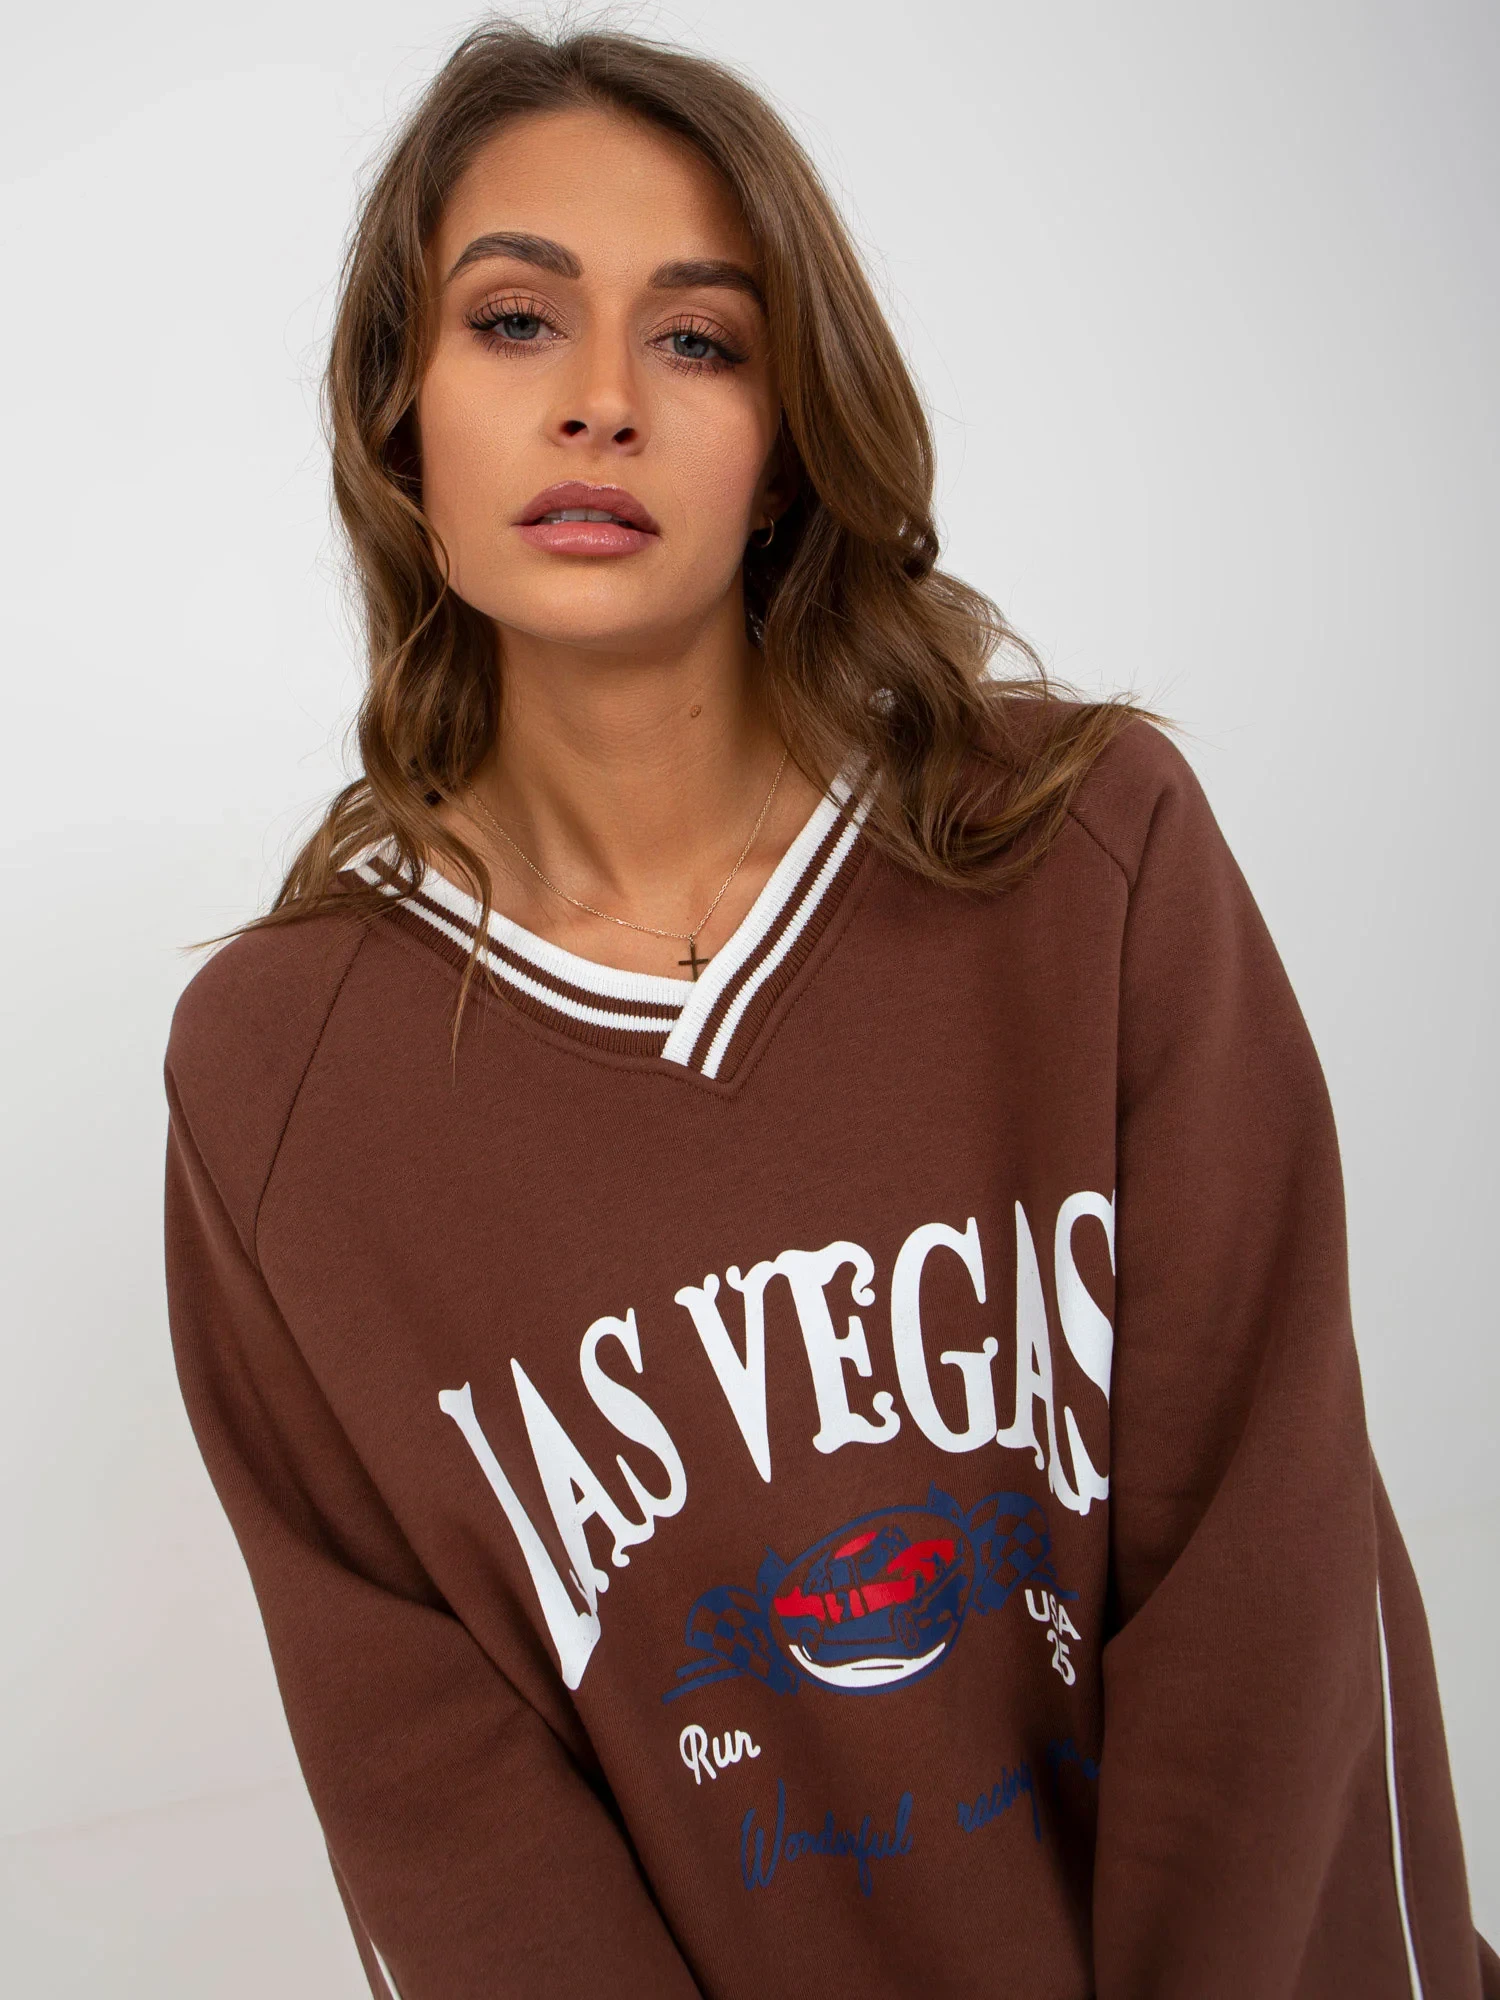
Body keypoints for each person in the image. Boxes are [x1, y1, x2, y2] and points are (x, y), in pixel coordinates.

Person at [161, 21, 1495, 1999]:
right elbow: (440, 1809)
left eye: (698, 339)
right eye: (516, 320)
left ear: (786, 449)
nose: (601, 400)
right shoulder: (280, 1084)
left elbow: (1270, 1577)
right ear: (398, 415)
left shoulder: (1087, 853)